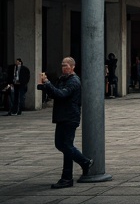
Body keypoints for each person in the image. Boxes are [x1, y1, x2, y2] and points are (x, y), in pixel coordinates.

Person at [38, 57, 92, 189]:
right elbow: (56, 93)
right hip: (62, 116)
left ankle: (70, 175)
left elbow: (62, 94)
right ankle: (83, 163)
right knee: (60, 144)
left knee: (67, 145)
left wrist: (48, 84)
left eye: (66, 65)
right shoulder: (63, 79)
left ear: (72, 67)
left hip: (70, 117)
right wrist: (45, 86)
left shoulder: (74, 81)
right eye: (62, 65)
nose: (63, 68)